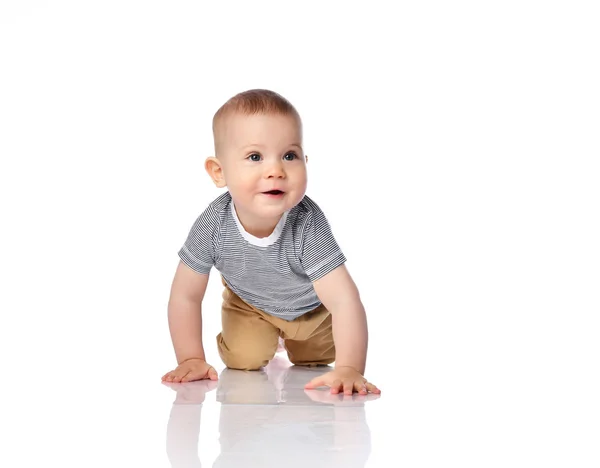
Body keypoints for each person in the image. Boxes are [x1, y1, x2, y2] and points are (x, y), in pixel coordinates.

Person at [161, 89, 380, 395]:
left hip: (312, 311)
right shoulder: (214, 224)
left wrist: (350, 368)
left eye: (289, 156)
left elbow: (344, 300)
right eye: (255, 157)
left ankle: (297, 342)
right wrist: (191, 358)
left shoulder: (307, 223)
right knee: (243, 359)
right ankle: (265, 335)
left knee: (315, 358)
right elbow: (185, 294)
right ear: (219, 172)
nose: (276, 170)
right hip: (250, 305)